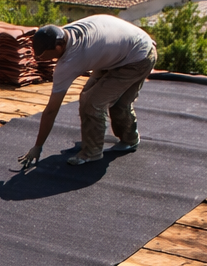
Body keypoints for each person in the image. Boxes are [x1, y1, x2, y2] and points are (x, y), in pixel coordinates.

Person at [18, 15, 159, 170]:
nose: (39, 57)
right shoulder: (65, 32)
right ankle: (129, 139)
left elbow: (51, 110)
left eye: (43, 54)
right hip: (121, 52)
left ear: (58, 46)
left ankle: (93, 152)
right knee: (91, 96)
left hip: (139, 58)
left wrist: (38, 146)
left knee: (94, 103)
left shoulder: (71, 60)